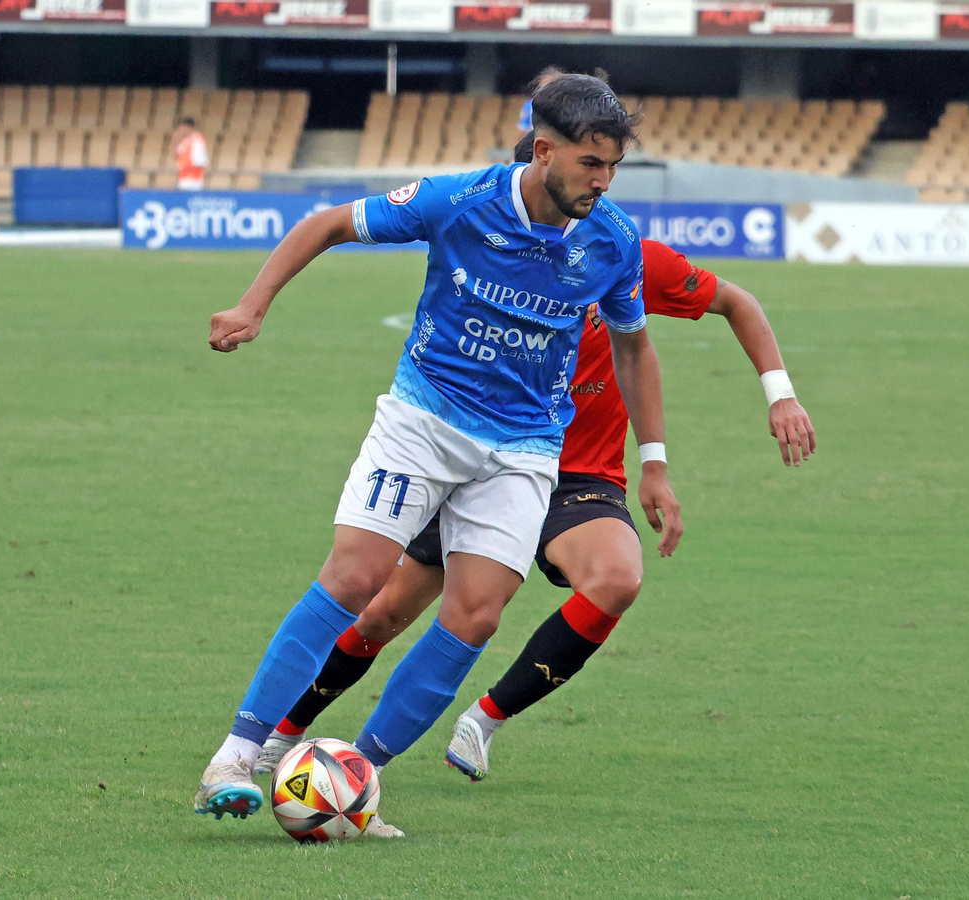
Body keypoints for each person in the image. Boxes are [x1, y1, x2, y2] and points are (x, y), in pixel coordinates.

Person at [194, 75, 676, 838]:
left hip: (522, 447)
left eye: (613, 166)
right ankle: (235, 755)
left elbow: (634, 345)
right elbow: (327, 224)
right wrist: (253, 305)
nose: (602, 181)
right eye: (591, 163)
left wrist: (653, 459)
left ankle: (357, 780)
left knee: (475, 616)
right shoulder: (457, 200)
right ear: (544, 149)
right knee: (355, 578)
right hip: (423, 419)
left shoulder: (610, 240)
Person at [252, 133, 816, 784]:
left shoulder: (621, 252)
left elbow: (734, 303)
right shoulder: (492, 245)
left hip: (576, 478)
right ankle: (285, 730)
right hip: (475, 459)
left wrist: (776, 399)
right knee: (382, 613)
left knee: (616, 578)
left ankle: (478, 721)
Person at [516, 66, 566, 147]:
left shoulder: (571, 107)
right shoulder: (530, 106)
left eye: (552, 88)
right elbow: (522, 132)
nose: (547, 92)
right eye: (542, 88)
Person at [173, 117, 208, 191]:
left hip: (193, 179)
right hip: (183, 178)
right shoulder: (185, 141)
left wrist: (188, 168)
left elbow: (200, 161)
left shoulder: (197, 140)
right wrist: (175, 140)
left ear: (187, 127)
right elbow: (177, 155)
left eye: (181, 127)